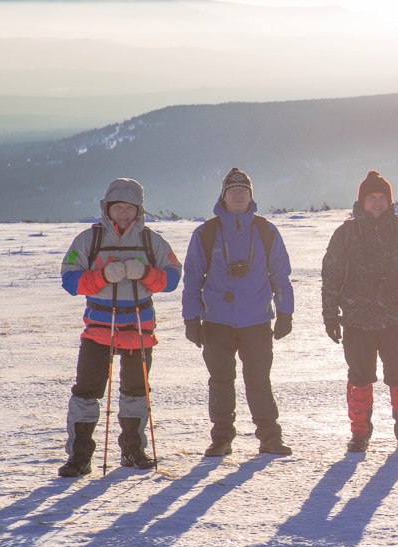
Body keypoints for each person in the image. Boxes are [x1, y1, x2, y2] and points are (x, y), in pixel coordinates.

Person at [58, 178, 181, 477]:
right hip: (99, 328)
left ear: (139, 210)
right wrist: (101, 277)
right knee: (86, 392)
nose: (124, 213)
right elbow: (69, 280)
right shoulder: (89, 239)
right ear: (107, 208)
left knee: (136, 392)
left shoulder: (153, 241)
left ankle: (133, 450)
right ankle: (79, 457)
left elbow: (173, 277)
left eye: (130, 207)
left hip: (138, 328)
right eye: (118, 207)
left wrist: (147, 273)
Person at [182, 168, 295, 457]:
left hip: (256, 321)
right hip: (216, 322)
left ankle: (270, 437)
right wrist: (191, 319)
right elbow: (192, 277)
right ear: (223, 195)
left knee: (258, 380)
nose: (238, 195)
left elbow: (281, 274)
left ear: (250, 195)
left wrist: (285, 313)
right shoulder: (206, 233)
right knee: (220, 381)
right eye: (232, 190)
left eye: (243, 190)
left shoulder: (266, 231)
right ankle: (221, 438)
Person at [321, 170, 398, 453]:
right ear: (362, 201)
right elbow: (331, 277)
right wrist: (330, 316)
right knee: (359, 378)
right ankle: (360, 434)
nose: (377, 203)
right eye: (371, 198)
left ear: (390, 201)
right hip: (357, 320)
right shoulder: (345, 235)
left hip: (397, 319)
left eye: (382, 198)